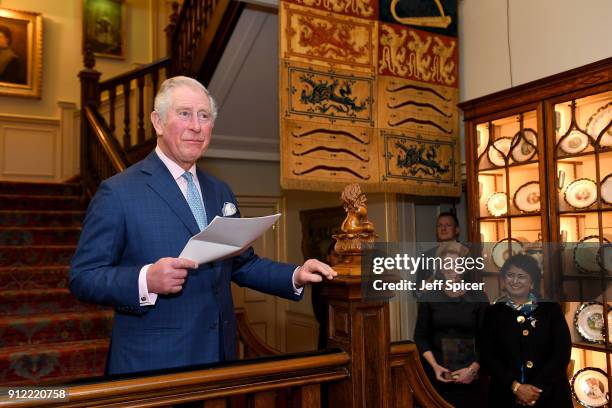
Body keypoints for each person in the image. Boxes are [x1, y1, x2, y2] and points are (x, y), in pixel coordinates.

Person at [70, 76, 337, 376]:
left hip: (219, 361)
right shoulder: (118, 192)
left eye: (204, 116)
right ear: (157, 122)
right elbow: (83, 278)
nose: (196, 126)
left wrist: (297, 275)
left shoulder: (220, 191)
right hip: (153, 369)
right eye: (184, 114)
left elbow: (241, 265)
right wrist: (146, 280)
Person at [481, 254, 572, 407]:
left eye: (521, 276)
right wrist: (516, 387)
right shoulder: (493, 313)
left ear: (532, 281)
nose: (515, 281)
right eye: (510, 275)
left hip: (550, 395)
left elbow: (561, 353)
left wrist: (533, 390)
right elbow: (487, 355)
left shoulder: (551, 309)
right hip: (505, 395)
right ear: (504, 279)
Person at [414, 243, 489, 407]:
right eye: (446, 264)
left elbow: (488, 338)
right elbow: (420, 337)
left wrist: (473, 369)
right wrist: (435, 366)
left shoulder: (479, 296)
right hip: (437, 375)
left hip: (472, 375)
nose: (451, 268)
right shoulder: (429, 296)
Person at [414, 211, 461, 297]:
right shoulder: (426, 256)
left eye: (448, 225)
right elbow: (417, 292)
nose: (443, 228)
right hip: (434, 307)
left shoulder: (467, 255)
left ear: (457, 230)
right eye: (440, 225)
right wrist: (423, 287)